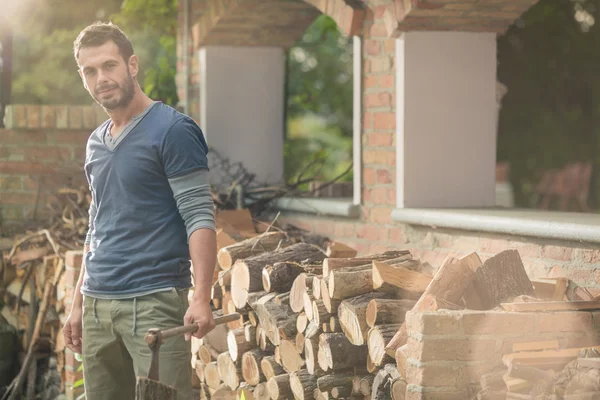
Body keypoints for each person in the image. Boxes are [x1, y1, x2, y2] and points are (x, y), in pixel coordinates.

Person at [62, 21, 217, 400]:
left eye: (110, 65)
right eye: (90, 71)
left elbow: (198, 214)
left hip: (153, 303)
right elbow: (97, 225)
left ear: (132, 65)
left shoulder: (173, 130)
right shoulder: (96, 142)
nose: (102, 78)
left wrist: (201, 296)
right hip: (98, 307)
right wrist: (78, 301)